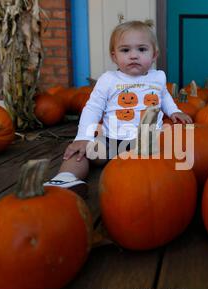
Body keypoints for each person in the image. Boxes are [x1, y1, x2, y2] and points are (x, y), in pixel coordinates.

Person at [44, 20, 192, 197]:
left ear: (154, 55)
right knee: (82, 151)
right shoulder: (109, 80)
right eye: (125, 50)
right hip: (111, 140)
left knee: (173, 149)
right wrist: (83, 137)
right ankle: (66, 178)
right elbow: (93, 108)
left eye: (142, 49)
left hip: (150, 142)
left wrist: (174, 111)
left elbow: (164, 97)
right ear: (114, 56)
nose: (133, 55)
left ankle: (161, 184)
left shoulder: (158, 77)